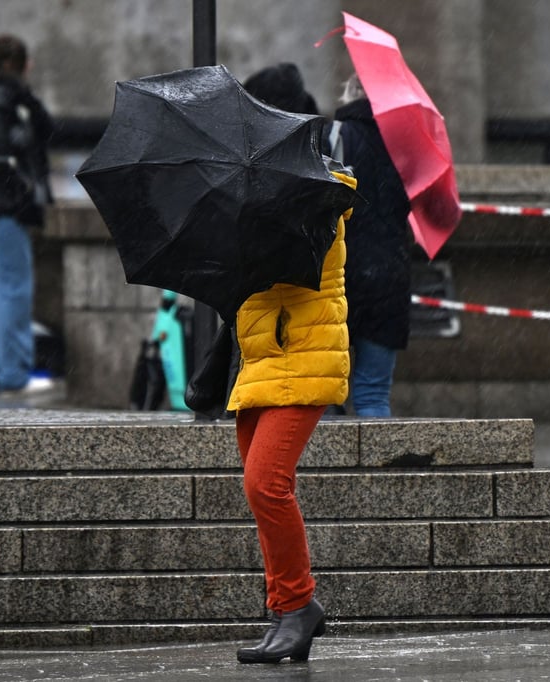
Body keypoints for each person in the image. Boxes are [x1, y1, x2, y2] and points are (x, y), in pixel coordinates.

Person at [228, 63, 355, 664]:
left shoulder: (319, 188)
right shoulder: (255, 186)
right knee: (260, 489)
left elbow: (293, 266)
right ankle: (286, 609)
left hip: (303, 354)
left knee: (266, 483)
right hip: (261, 358)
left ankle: (298, 607)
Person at [0, 34, 53, 399]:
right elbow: (26, 142)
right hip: (7, 205)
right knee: (14, 289)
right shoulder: (6, 100)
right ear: (19, 65)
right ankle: (13, 374)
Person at [328, 74, 411, 417]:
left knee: (326, 392)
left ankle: (322, 470)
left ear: (351, 94)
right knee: (374, 393)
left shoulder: (335, 136)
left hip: (339, 276)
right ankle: (376, 471)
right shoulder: (407, 145)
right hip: (389, 276)